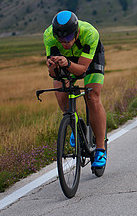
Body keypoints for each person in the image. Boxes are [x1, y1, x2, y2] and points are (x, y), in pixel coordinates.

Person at [43, 10, 106, 172]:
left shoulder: (90, 33)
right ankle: (75, 123)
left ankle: (100, 150)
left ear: (76, 33)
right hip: (66, 60)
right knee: (60, 92)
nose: (64, 42)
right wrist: (52, 67)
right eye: (60, 38)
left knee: (92, 96)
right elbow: (53, 74)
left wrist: (67, 65)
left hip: (89, 60)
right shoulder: (49, 35)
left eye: (69, 38)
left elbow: (83, 70)